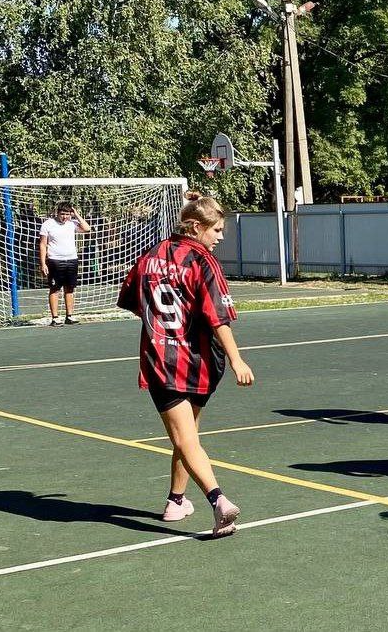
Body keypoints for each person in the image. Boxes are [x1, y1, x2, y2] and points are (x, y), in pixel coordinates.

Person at [117, 191, 255, 538]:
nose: (220, 237)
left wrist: (160, 326)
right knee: (187, 435)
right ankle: (189, 500)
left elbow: (132, 300)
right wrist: (236, 358)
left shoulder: (151, 256)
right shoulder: (203, 262)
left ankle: (204, 500)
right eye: (216, 230)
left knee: (184, 437)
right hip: (200, 362)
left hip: (163, 360)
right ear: (195, 227)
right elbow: (219, 317)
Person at [39, 201, 91, 325]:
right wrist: (43, 263)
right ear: (57, 213)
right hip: (55, 261)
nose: (65, 217)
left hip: (72, 260)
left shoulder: (72, 224)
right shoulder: (48, 224)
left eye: (67, 214)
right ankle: (55, 318)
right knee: (55, 289)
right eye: (62, 214)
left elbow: (87, 228)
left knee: (69, 289)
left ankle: (69, 316)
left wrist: (76, 214)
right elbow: (42, 244)